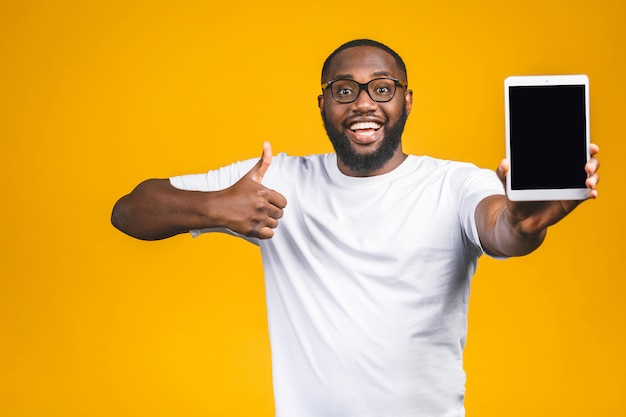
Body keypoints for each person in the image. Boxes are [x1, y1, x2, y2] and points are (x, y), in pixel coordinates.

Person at [111, 39, 600, 417]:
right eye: (345, 90)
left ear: (406, 101)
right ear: (323, 104)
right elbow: (130, 211)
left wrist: (522, 222)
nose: (363, 103)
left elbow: (499, 229)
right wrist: (217, 207)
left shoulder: (454, 183)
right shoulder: (274, 180)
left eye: (382, 88)